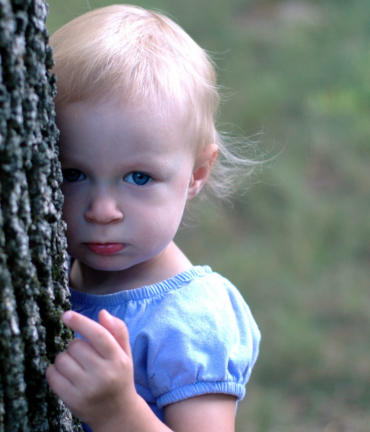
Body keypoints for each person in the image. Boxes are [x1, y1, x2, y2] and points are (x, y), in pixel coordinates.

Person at [45, 5, 261, 432]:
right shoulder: (57, 276)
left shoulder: (192, 321)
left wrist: (118, 412)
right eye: (73, 174)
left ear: (198, 173)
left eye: (138, 177)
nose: (103, 210)